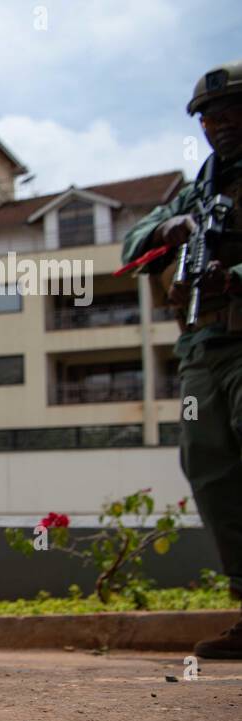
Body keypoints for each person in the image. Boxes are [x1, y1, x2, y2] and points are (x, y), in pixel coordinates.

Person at [121, 59, 242, 659]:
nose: (220, 123)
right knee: (212, 472)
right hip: (201, 350)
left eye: (231, 110)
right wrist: (173, 227)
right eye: (210, 115)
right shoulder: (197, 188)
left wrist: (233, 273)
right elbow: (132, 242)